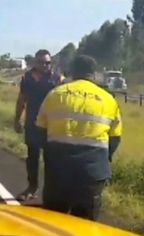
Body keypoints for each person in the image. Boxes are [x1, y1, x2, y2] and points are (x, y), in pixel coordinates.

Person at [35, 55, 122, 221]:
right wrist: (104, 157)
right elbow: (115, 138)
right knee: (85, 226)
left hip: (58, 169)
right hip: (93, 170)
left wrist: (51, 154)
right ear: (94, 74)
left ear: (72, 71)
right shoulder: (108, 99)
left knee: (53, 221)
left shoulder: (55, 94)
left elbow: (40, 131)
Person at [14, 49, 64, 201]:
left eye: (48, 63)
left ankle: (51, 192)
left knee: (52, 159)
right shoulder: (27, 78)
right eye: (41, 62)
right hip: (33, 123)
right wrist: (17, 119)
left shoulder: (58, 79)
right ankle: (32, 187)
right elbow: (22, 100)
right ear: (35, 63)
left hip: (52, 125)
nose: (45, 66)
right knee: (32, 157)